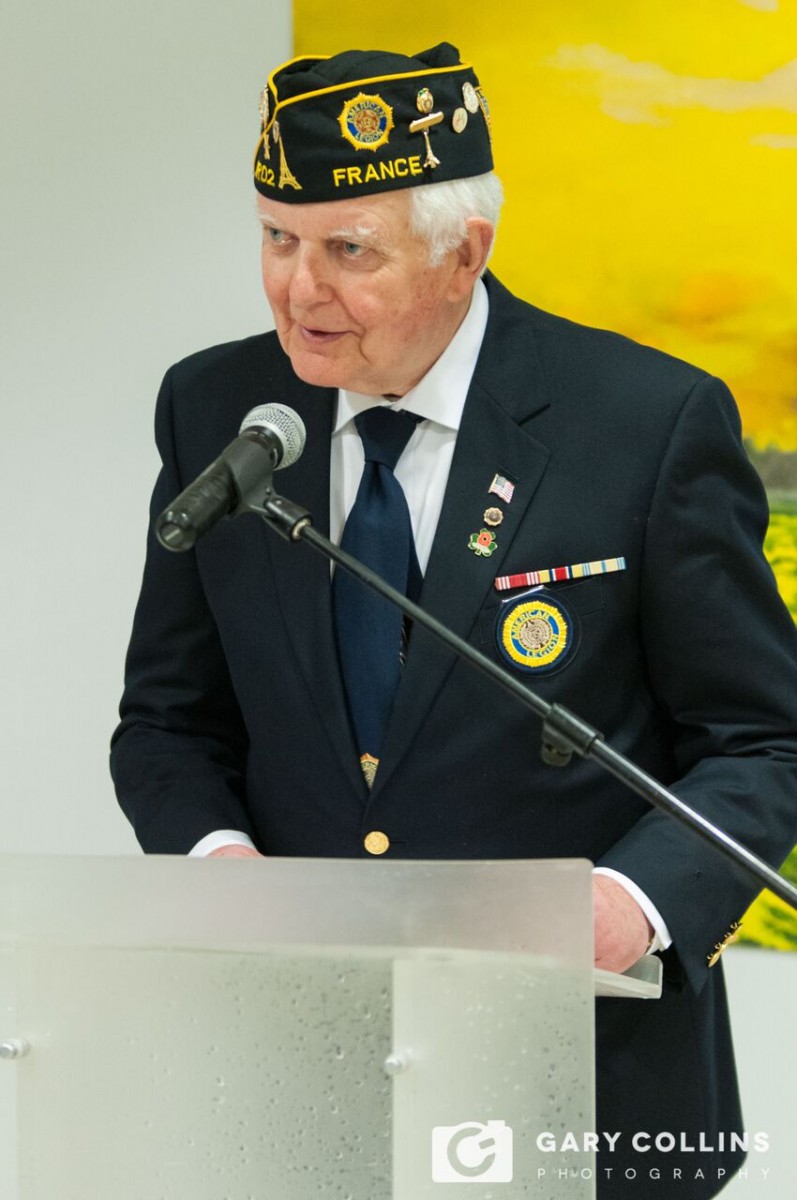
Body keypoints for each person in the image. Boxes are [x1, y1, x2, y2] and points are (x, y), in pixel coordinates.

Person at [111, 42, 797, 1196]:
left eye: (347, 251)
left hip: (584, 1068)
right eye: (277, 237)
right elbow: (170, 722)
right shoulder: (218, 407)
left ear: (462, 253)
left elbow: (760, 739)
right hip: (303, 1073)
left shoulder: (642, 421)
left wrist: (631, 905)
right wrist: (217, 861)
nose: (297, 289)